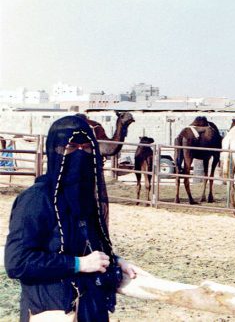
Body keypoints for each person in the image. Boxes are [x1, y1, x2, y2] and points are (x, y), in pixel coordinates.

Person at [5, 115, 137, 321]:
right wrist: (78, 264)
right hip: (51, 311)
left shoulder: (82, 197)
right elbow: (17, 262)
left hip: (90, 308)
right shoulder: (36, 200)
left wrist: (115, 261)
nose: (80, 154)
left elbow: (87, 244)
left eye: (86, 148)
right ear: (54, 150)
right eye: (71, 147)